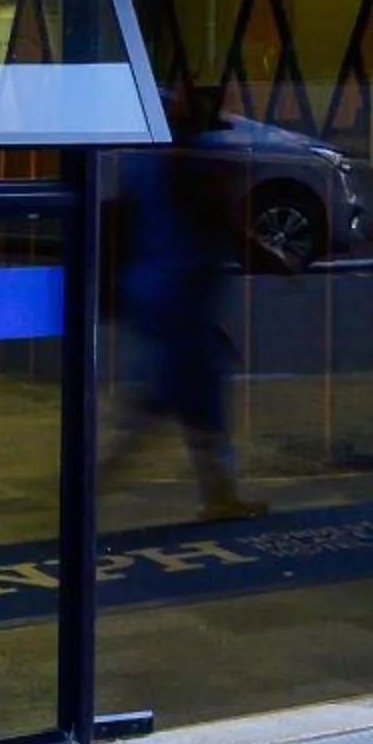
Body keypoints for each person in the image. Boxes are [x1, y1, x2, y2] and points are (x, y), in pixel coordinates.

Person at [99, 82, 267, 524]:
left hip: (154, 289)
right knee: (162, 399)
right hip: (180, 294)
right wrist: (267, 254)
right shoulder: (195, 158)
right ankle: (86, 487)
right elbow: (221, 214)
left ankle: (220, 493)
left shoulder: (143, 160)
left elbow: (121, 219)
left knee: (196, 396)